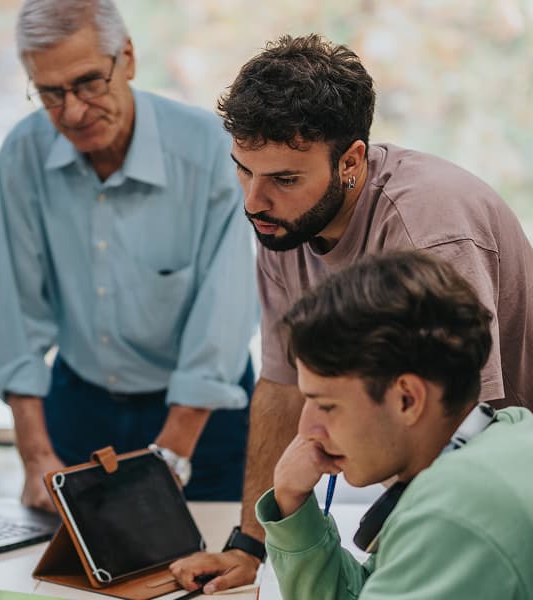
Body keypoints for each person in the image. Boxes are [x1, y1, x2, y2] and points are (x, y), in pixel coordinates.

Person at [170, 34, 533, 593]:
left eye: (284, 178)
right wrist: (250, 544)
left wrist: (414, 544)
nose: (253, 201)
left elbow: (460, 423)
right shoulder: (285, 223)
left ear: (351, 161)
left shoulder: (427, 231)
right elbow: (281, 383)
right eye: (244, 170)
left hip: (485, 498)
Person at [0, 0, 258, 508]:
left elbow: (224, 313)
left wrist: (173, 453)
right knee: (75, 581)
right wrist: (35, 454)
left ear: (127, 58)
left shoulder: (207, 149)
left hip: (203, 412)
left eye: (89, 82)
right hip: (81, 405)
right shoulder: (22, 153)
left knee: (205, 570)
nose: (72, 111)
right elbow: (17, 312)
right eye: (49, 92)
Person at [257, 251, 533, 599]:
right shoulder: (504, 433)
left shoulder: (457, 508)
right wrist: (292, 503)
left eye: (327, 405)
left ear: (407, 399)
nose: (308, 429)